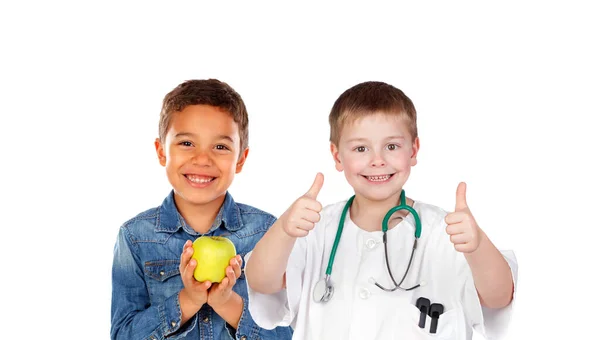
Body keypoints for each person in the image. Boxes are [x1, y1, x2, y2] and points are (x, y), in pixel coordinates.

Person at [244, 81, 518, 339]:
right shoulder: (314, 229)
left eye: (391, 146)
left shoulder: (446, 233)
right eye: (361, 148)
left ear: (413, 150)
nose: (377, 161)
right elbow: (262, 283)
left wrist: (477, 246)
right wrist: (283, 230)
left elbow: (498, 299)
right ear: (337, 156)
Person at [111, 79, 293, 340]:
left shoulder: (267, 232)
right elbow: (122, 335)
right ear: (161, 151)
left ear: (240, 158)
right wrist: (187, 300)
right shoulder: (135, 237)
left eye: (220, 147)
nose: (202, 159)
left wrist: (226, 303)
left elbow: (291, 335)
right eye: (186, 143)